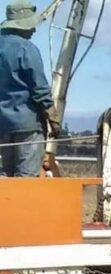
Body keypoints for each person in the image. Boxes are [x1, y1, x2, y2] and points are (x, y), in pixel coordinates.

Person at [0, 1, 59, 177]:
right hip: (27, 127)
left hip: (3, 125)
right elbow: (39, 89)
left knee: (5, 179)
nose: (34, 30)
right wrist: (53, 119)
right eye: (31, 26)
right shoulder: (27, 49)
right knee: (25, 181)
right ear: (21, 26)